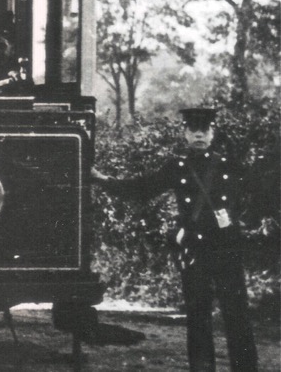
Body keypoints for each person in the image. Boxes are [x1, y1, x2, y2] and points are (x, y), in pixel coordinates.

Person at [91, 108, 258, 372]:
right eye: (193, 130)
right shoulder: (177, 167)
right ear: (185, 134)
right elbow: (142, 188)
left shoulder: (229, 165)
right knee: (198, 318)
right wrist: (103, 180)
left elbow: (260, 190)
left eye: (205, 130)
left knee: (237, 316)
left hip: (227, 248)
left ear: (213, 134)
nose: (199, 134)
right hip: (195, 250)